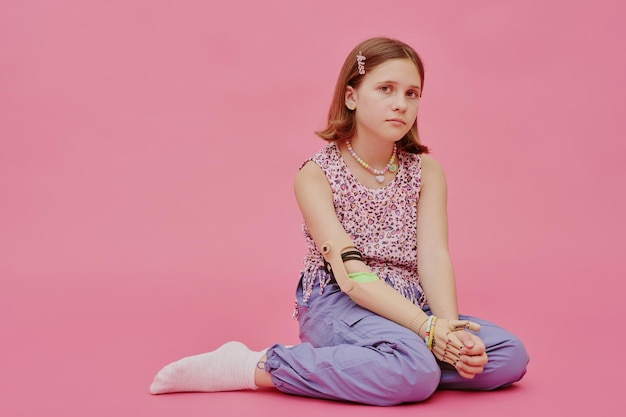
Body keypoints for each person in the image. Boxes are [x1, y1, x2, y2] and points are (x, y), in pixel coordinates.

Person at [149, 37, 529, 406]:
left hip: (410, 302)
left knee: (506, 356)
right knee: (415, 370)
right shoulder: (315, 175)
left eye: (411, 93)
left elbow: (433, 257)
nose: (401, 104)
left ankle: (393, 362)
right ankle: (255, 365)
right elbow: (352, 278)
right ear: (351, 97)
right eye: (386, 89)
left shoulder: (427, 171)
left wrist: (448, 330)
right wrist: (425, 328)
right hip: (338, 301)